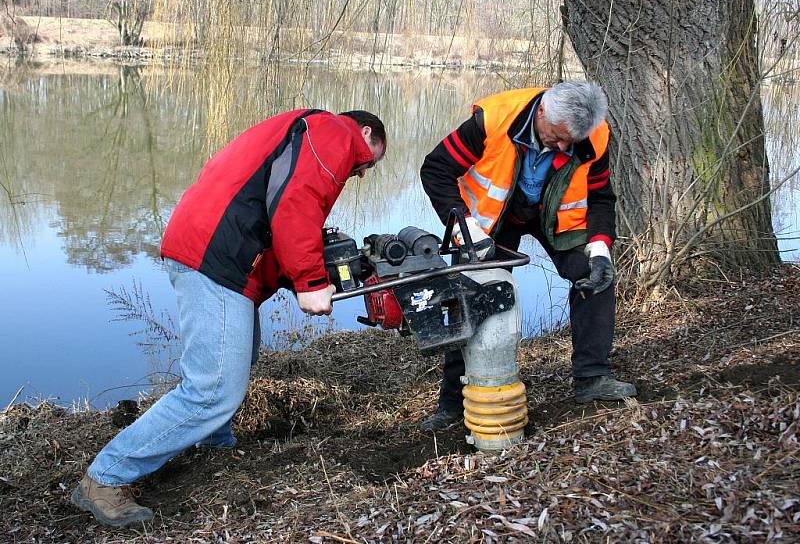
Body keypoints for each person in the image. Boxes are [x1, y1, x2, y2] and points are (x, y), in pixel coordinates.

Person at [71, 109, 386, 527]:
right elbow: (296, 205)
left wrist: (309, 274)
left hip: (213, 248)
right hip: (215, 256)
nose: (362, 172)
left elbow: (275, 216)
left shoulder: (299, 133)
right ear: (364, 132)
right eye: (370, 161)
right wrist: (311, 283)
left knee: (237, 357)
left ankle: (214, 442)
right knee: (213, 389)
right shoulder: (335, 131)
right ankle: (105, 478)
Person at [418, 80, 636, 430]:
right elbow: (436, 170)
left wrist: (599, 246)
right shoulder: (492, 120)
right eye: (559, 136)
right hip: (491, 222)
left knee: (596, 278)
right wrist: (464, 227)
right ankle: (453, 404)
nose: (564, 146)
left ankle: (593, 378)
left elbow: (600, 198)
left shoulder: (595, 136)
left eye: (571, 142)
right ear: (542, 111)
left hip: (557, 217)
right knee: (473, 293)